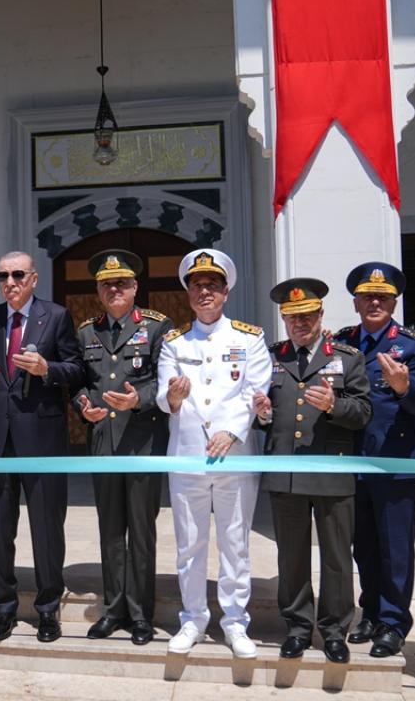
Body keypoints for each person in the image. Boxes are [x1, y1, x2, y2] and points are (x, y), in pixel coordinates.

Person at [154, 249, 270, 657]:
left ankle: (235, 622)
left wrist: (231, 432)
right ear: (188, 293)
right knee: (189, 545)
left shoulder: (249, 338)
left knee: (235, 542)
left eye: (213, 285)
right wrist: (172, 397)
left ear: (226, 292)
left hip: (234, 457)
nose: (205, 291)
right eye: (197, 285)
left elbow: (256, 390)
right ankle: (193, 618)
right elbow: (164, 396)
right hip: (187, 457)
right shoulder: (174, 342)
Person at [255, 278, 371, 664]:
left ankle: (335, 631)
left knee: (336, 557)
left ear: (320, 315)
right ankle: (298, 627)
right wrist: (262, 416)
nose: (300, 323)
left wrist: (335, 405)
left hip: (330, 470)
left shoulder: (347, 357)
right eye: (292, 317)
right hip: (285, 471)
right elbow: (264, 416)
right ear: (283, 319)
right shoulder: (270, 357)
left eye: (307, 316)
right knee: (291, 555)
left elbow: (363, 413)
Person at [0, 251, 82, 643]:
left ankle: (48, 609)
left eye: (18, 275)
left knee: (46, 527)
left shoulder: (56, 316)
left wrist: (47, 369)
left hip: (41, 438)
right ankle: (4, 608)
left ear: (33, 279)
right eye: (3, 276)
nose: (10, 283)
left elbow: (76, 368)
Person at [74, 249, 172, 647]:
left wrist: (139, 400)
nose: (114, 289)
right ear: (98, 291)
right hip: (104, 442)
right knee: (111, 531)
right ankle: (114, 609)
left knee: (141, 532)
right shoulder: (87, 331)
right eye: (106, 284)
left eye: (121, 283)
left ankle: (140, 614)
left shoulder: (157, 326)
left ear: (134, 287)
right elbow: (80, 382)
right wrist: (83, 405)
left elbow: (166, 379)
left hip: (142, 442)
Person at [333, 262, 415, 658]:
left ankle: (394, 622)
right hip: (351, 459)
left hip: (394, 461)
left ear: (393, 303)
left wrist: (404, 387)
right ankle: (370, 612)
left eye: (383, 298)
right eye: (367, 297)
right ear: (355, 302)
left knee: (395, 547)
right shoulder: (341, 342)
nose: (375, 303)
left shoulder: (413, 345)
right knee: (364, 545)